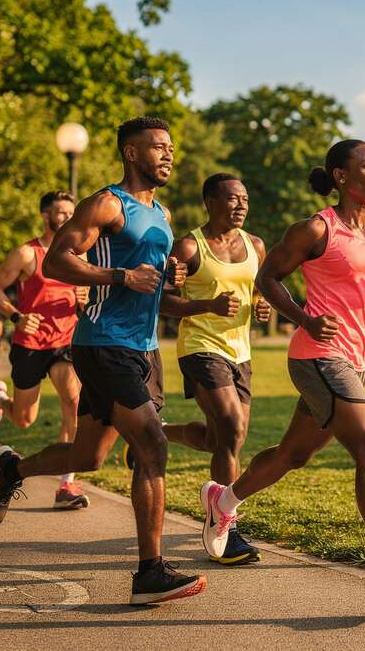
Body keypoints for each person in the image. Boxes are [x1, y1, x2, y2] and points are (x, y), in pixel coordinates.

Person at [197, 139, 365, 609]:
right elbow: (267, 278)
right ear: (340, 176)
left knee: (294, 454)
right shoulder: (316, 229)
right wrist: (305, 317)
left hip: (357, 361)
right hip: (318, 354)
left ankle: (224, 501)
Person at [0, 116, 203, 605]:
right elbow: (58, 261)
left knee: (89, 457)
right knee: (153, 447)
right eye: (158, 147)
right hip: (103, 343)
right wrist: (121, 276)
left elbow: (153, 287)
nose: (168, 154)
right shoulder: (107, 203)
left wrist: (171, 281)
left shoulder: (161, 214)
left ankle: (12, 471)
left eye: (171, 148)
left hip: (144, 348)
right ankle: (150, 573)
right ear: (130, 152)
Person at [135, 172, 273, 565]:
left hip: (240, 352)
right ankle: (224, 527)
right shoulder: (189, 247)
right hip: (199, 347)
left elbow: (259, 286)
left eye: (244, 198)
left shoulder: (255, 245)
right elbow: (162, 301)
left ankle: (160, 433)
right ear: (210, 202)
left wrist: (261, 304)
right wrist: (206, 307)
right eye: (232, 198)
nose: (241, 205)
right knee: (232, 427)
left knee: (222, 439)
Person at [0, 189, 90, 510]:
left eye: (72, 212)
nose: (68, 218)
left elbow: (93, 298)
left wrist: (85, 303)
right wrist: (16, 316)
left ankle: (66, 485)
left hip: (66, 343)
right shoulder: (27, 254)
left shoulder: (81, 256)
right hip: (30, 344)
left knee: (74, 403)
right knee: (24, 420)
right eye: (61, 212)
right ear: (46, 216)